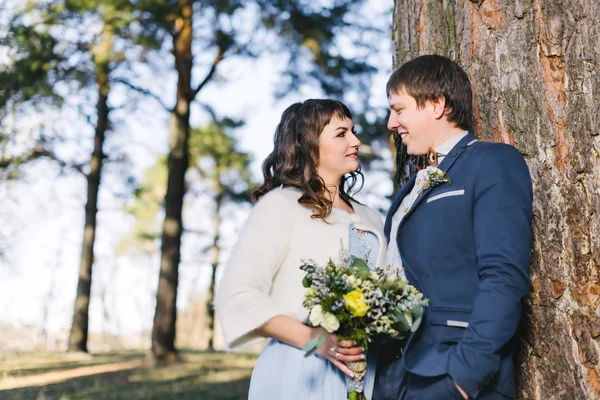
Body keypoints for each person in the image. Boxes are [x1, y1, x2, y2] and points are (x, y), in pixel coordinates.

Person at [374, 55, 533, 400]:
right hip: (393, 378)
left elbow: (504, 275)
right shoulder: (408, 189)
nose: (391, 123)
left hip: (452, 376)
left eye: (399, 110)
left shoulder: (492, 162)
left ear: (436, 104)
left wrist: (464, 376)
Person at [215, 99, 388, 399]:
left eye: (353, 131)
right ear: (309, 145)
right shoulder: (281, 207)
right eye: (341, 134)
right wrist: (315, 339)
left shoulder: (371, 217)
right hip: (299, 369)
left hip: (365, 372)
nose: (356, 141)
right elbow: (238, 296)